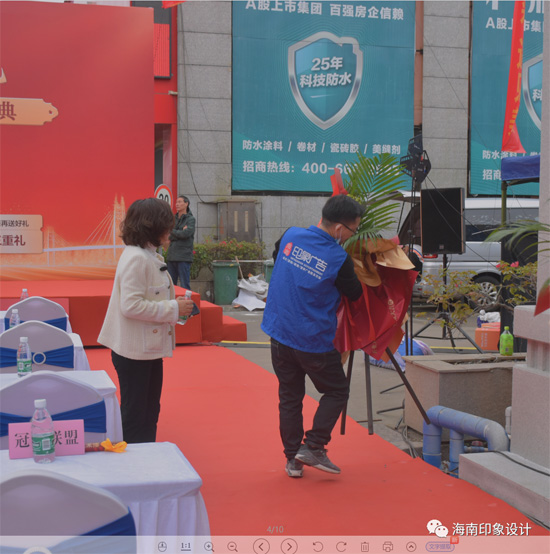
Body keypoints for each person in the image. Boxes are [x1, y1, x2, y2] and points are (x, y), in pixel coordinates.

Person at [261, 195, 364, 478]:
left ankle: (292, 460)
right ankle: (314, 445)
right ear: (340, 228)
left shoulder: (290, 235)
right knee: (337, 390)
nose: (352, 236)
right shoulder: (339, 258)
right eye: (353, 230)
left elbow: (278, 258)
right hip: (312, 340)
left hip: (279, 333)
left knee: (290, 397)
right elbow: (355, 294)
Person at [98, 198, 194, 444]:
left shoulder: (144, 254)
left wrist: (174, 307)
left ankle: (145, 456)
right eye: (166, 225)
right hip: (134, 353)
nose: (170, 230)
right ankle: (134, 461)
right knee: (137, 414)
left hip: (143, 350)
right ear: (153, 227)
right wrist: (173, 308)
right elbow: (130, 305)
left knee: (148, 410)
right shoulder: (138, 258)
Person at [166, 195, 195, 290]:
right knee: (170, 286)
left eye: (179, 202)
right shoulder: (173, 219)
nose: (177, 204)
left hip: (183, 257)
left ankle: (188, 300)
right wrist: (180, 231)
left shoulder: (190, 219)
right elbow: (168, 234)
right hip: (172, 256)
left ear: (186, 204)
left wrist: (173, 232)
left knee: (184, 285)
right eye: (176, 202)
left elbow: (186, 234)